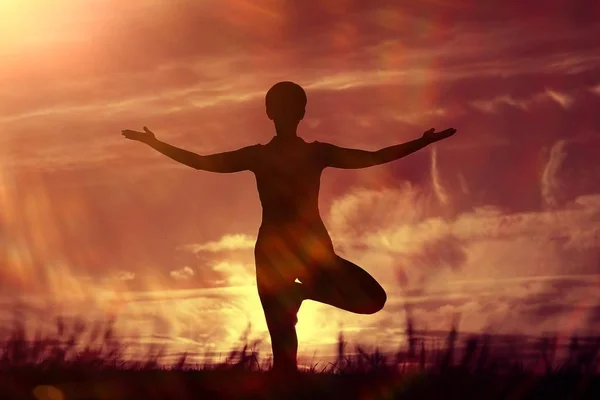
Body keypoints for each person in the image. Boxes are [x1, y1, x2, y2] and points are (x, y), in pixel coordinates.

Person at [122, 81, 456, 373]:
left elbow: (372, 157)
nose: (284, 112)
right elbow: (203, 163)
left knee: (372, 299)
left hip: (306, 250)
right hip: (276, 250)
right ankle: (290, 367)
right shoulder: (264, 156)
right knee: (283, 352)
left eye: (289, 106)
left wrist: (420, 143)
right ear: (276, 112)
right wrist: (156, 144)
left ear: (296, 112)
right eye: (282, 106)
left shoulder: (308, 154)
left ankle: (300, 292)